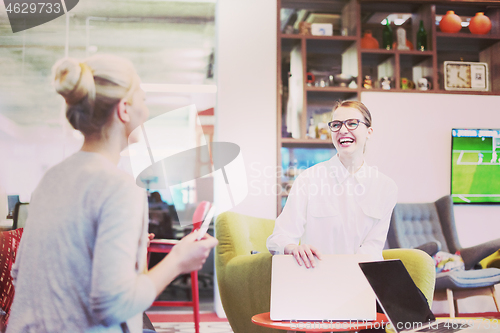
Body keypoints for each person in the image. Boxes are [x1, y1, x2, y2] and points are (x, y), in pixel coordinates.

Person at [7, 54, 218, 333]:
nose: (147, 109)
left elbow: (21, 272)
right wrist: (178, 260)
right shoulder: (119, 186)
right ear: (125, 109)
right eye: (143, 99)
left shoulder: (51, 178)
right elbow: (113, 306)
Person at [267, 101, 397, 268]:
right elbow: (278, 238)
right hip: (315, 276)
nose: (343, 130)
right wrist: (293, 248)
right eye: (336, 125)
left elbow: (373, 247)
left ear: (369, 131)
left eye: (352, 123)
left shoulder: (386, 187)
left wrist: (348, 273)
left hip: (362, 278)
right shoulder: (308, 179)